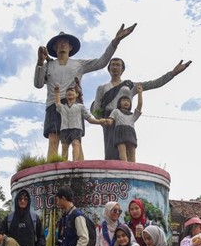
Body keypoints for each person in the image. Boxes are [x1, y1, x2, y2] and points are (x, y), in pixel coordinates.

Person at [34, 25, 137, 160]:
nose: (63, 45)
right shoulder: (48, 65)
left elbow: (102, 62)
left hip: (74, 105)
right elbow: (38, 84)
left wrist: (115, 41)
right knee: (54, 139)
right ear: (55, 47)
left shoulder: (79, 64)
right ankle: (52, 170)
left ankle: (78, 170)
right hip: (54, 104)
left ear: (70, 47)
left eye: (66, 43)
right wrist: (40, 62)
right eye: (59, 43)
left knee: (76, 141)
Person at [92, 57, 192, 160]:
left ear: (122, 69)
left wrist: (173, 73)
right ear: (108, 68)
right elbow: (97, 108)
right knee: (111, 151)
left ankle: (128, 172)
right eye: (112, 64)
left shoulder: (130, 85)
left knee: (127, 150)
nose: (115, 67)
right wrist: (102, 121)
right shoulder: (102, 88)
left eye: (118, 65)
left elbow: (154, 83)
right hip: (110, 120)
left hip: (125, 120)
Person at [55, 82, 109, 161]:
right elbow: (57, 103)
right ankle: (64, 163)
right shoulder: (62, 107)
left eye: (72, 91)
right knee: (64, 147)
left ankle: (75, 161)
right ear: (65, 95)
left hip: (76, 128)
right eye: (68, 91)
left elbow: (89, 118)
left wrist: (99, 121)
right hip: (64, 129)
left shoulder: (80, 106)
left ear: (76, 94)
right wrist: (57, 93)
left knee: (76, 144)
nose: (70, 92)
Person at [107, 87, 142, 162]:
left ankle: (132, 167)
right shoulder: (116, 111)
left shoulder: (133, 115)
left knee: (132, 151)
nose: (126, 102)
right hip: (120, 132)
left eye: (128, 101)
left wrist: (140, 93)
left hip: (130, 132)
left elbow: (139, 105)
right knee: (122, 151)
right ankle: (124, 165)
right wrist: (107, 121)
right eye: (123, 100)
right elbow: (111, 120)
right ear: (119, 103)